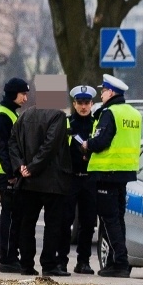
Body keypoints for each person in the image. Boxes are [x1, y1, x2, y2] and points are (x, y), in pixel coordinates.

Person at [9, 75, 73, 277]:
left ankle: (26, 264)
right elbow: (50, 147)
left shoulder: (25, 115)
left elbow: (12, 142)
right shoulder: (58, 116)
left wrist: (21, 167)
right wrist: (33, 167)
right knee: (52, 225)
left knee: (27, 223)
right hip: (52, 181)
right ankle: (49, 264)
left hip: (28, 182)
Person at [82, 74, 141, 278]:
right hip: (124, 173)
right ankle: (116, 262)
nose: (101, 94)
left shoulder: (109, 113)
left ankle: (121, 263)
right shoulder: (133, 113)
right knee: (118, 219)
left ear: (112, 92)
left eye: (104, 90)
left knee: (109, 220)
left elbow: (101, 141)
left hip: (107, 172)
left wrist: (87, 144)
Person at [0, 77, 29, 273]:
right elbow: (2, 148)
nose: (25, 98)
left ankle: (12, 256)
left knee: (15, 216)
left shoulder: (11, 113)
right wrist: (11, 173)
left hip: (11, 173)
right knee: (10, 217)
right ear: (14, 94)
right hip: (6, 175)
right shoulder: (3, 116)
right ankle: (7, 259)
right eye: (23, 94)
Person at [61, 85, 98, 275]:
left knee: (88, 222)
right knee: (65, 220)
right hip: (71, 178)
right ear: (74, 104)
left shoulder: (97, 124)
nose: (83, 106)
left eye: (87, 103)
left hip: (90, 179)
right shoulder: (67, 124)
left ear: (92, 104)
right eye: (80, 103)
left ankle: (83, 262)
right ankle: (61, 260)